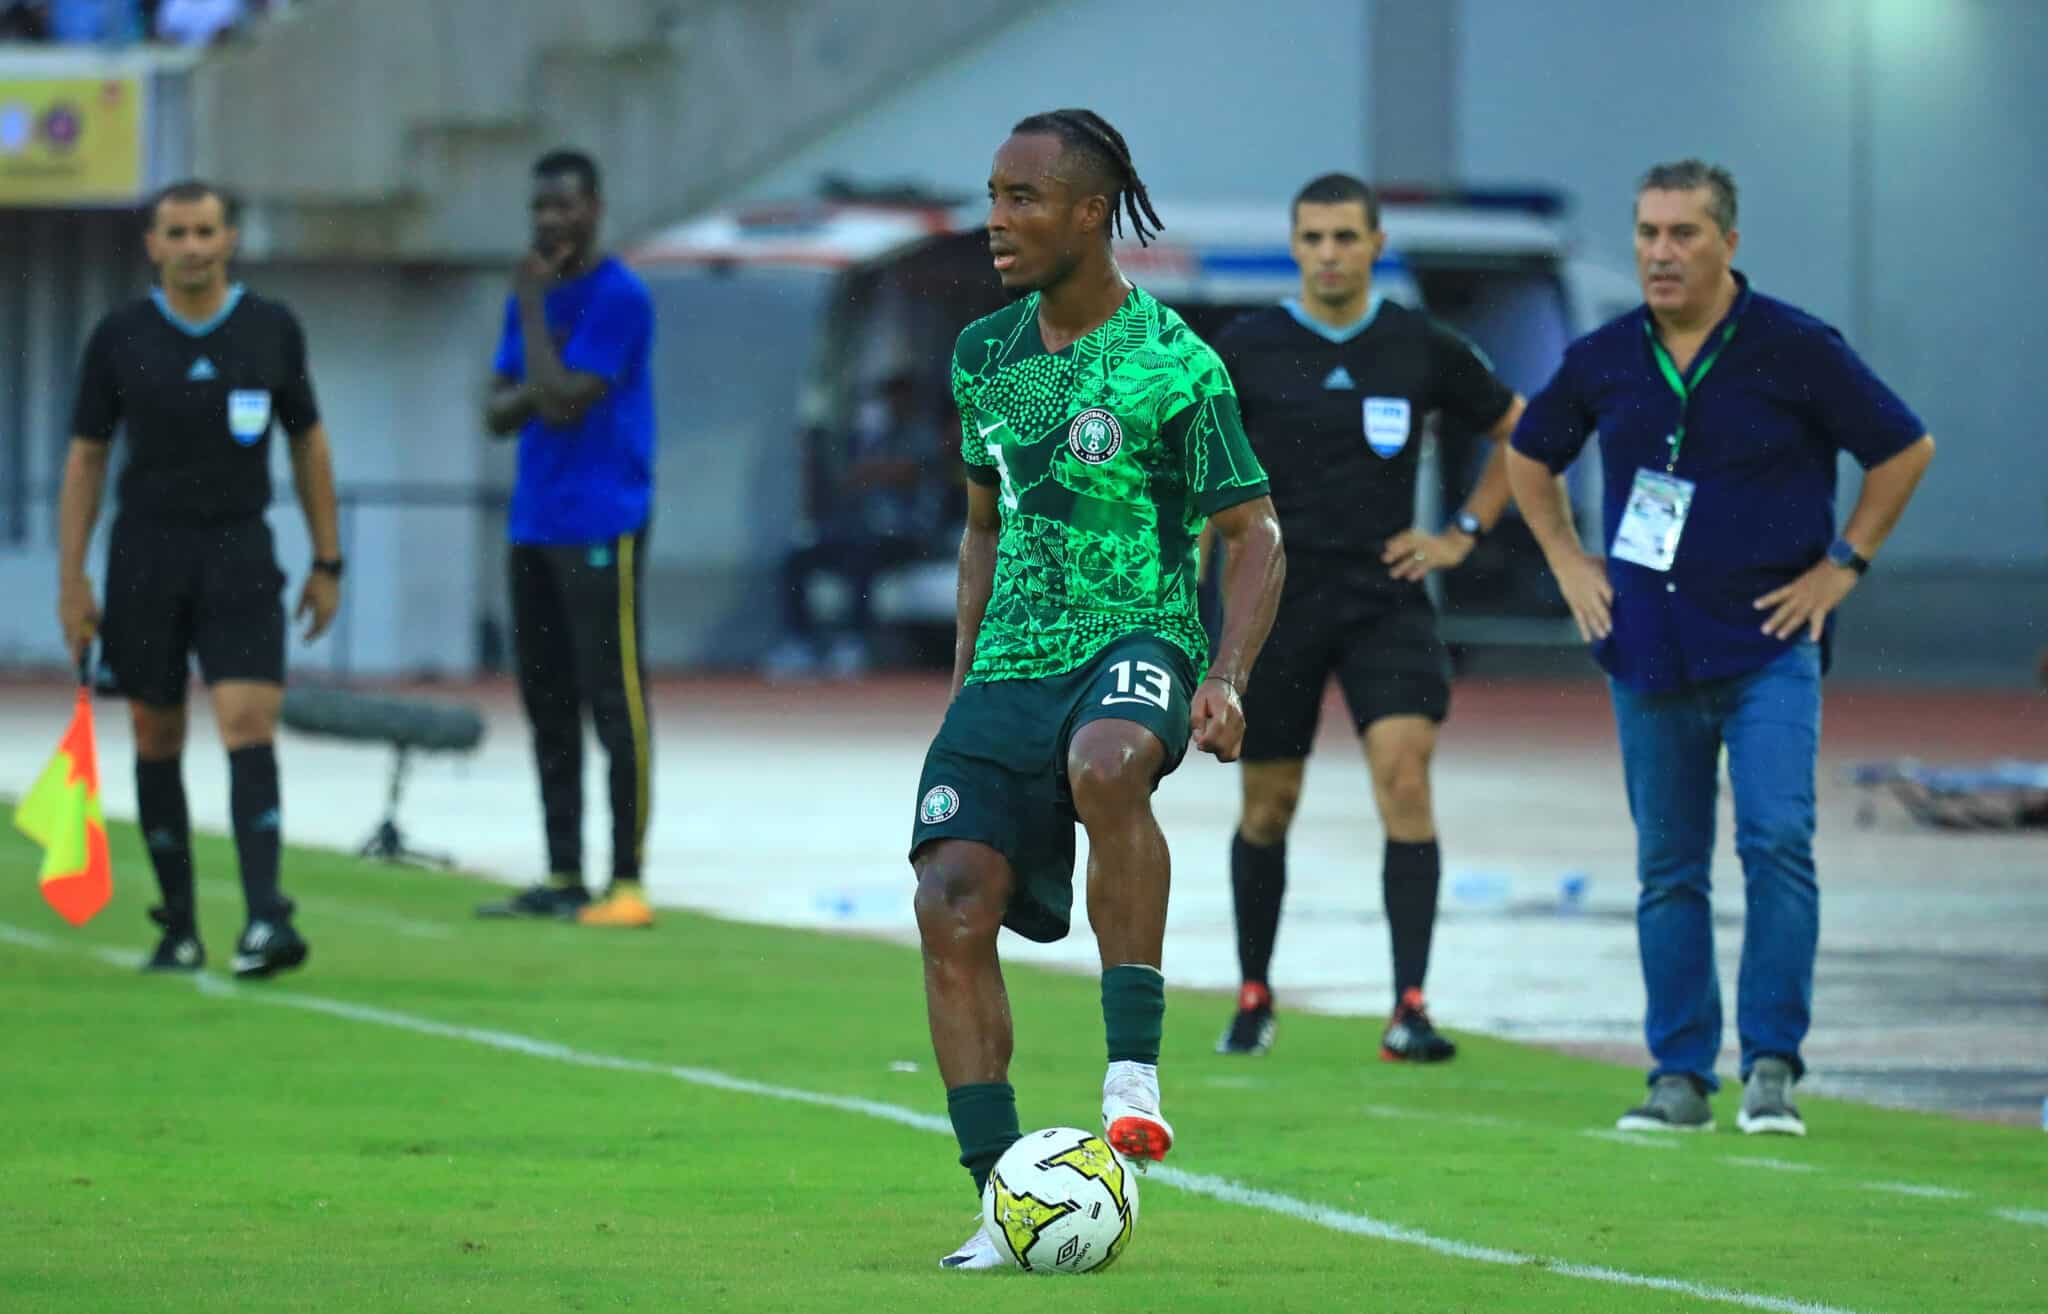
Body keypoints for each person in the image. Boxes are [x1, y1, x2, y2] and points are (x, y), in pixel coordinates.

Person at [910, 108, 1286, 1271]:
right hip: (1010, 662)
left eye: (1020, 199)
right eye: (991, 196)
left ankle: (1131, 1072)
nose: (994, 220)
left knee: (1109, 763)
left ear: (1088, 214)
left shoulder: (1176, 363)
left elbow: (1254, 534)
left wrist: (1225, 677)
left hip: (1138, 635)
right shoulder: (981, 355)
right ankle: (1001, 1198)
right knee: (948, 898)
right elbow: (981, 527)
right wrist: (964, 682)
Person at [1506, 160, 1934, 1136]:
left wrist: (1842, 566)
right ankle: (1680, 1077)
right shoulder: (1605, 355)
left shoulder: (1794, 347)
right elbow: (1529, 455)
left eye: (1683, 234)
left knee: (1776, 842)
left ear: (1727, 243)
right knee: (1668, 867)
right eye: (1647, 233)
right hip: (1645, 649)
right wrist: (1567, 563)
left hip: (1768, 643)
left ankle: (1772, 1066)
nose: (1660, 252)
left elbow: (1903, 448)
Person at [1209, 173, 1527, 1063]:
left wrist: (1461, 534)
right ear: (1294, 245)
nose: (1329, 254)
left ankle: (1409, 1008)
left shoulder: (1418, 343)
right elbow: (1195, 467)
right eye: (1313, 238)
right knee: (1269, 804)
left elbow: (1521, 431)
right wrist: (1202, 581)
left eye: (1346, 237)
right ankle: (1253, 995)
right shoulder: (1247, 347)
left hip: (1386, 596)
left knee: (1405, 778)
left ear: (1377, 245)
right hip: (1278, 601)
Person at [57, 178, 341, 978]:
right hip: (145, 556)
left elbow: (308, 442)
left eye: (206, 232)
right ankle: (177, 925)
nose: (192, 248)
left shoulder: (271, 329)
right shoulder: (120, 336)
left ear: (230, 240)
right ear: (152, 245)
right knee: (157, 734)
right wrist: (73, 580)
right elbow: (87, 458)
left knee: (248, 720)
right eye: (176, 234)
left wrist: (327, 560)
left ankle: (265, 919)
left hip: (239, 551)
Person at [476, 149, 659, 930]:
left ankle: (627, 880)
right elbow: (494, 413)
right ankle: (562, 872)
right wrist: (534, 358)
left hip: (603, 520)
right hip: (535, 519)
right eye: (539, 207)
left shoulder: (618, 296)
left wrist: (529, 303)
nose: (550, 220)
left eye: (564, 205)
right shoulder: (535, 299)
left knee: (613, 699)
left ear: (595, 209)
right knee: (546, 698)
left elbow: (558, 401)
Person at [770, 371, 961, 677]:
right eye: (889, 397)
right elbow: (849, 480)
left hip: (911, 537)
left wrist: (871, 473)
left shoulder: (924, 437)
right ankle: (799, 642)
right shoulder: (875, 439)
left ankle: (853, 641)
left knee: (861, 558)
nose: (894, 404)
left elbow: (908, 472)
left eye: (899, 397)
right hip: (869, 533)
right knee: (797, 561)